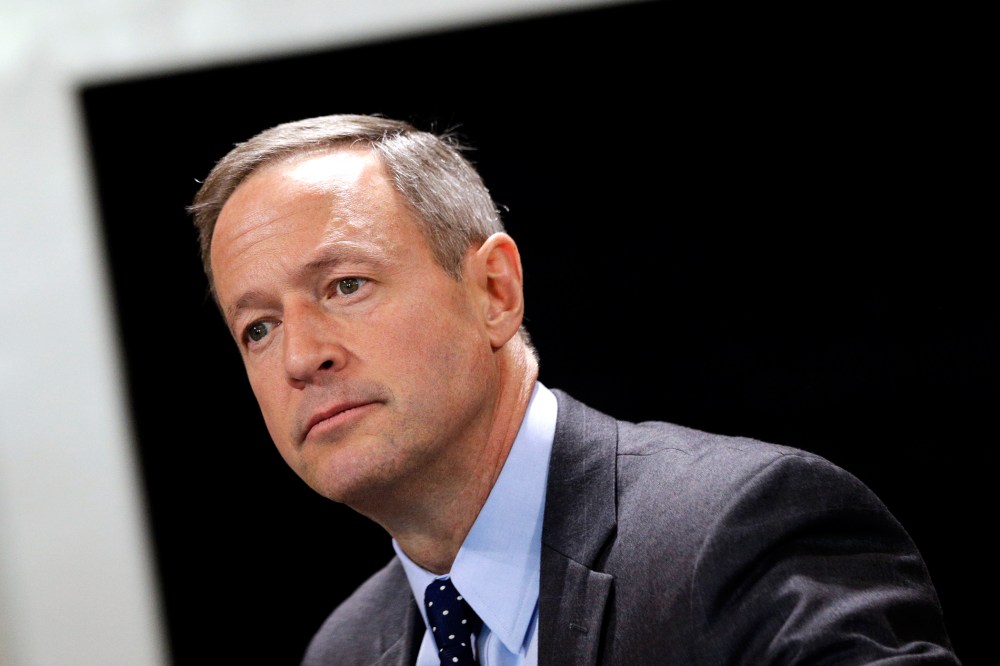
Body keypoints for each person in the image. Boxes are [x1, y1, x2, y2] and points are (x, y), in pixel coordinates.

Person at [188, 113, 959, 665]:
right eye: (258, 327)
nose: (301, 357)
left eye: (346, 284)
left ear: (493, 290)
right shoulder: (344, 651)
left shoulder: (736, 537)